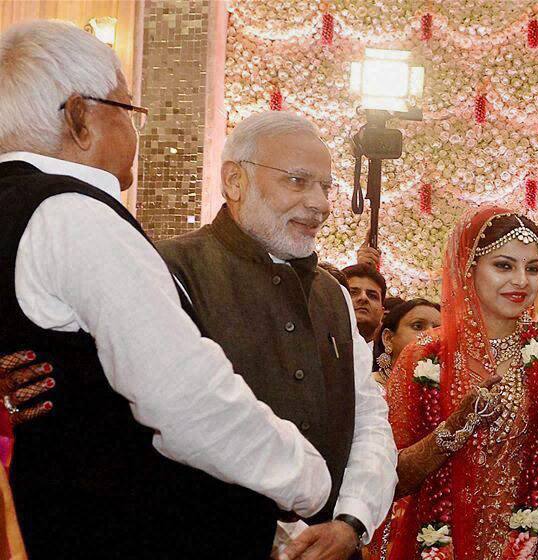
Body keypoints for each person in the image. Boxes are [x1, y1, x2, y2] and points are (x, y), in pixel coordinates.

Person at [0, 20, 339, 558]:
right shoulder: (74, 215)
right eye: (129, 112)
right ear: (81, 118)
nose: (137, 134)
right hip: (121, 529)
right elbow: (185, 401)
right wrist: (308, 480)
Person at [156, 110, 397, 560]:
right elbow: (171, 420)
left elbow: (367, 419)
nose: (321, 204)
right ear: (235, 182)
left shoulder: (333, 295)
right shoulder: (169, 272)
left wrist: (351, 522)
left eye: (325, 186)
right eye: (297, 181)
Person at [371, 208, 538, 560]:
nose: (522, 281)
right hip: (437, 543)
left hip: (535, 547)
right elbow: (392, 476)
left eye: (533, 268)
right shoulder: (423, 357)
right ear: (468, 268)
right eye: (504, 266)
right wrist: (454, 427)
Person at [372, 298, 441, 387]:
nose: (432, 335)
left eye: (438, 329)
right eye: (418, 326)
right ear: (388, 338)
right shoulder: (366, 386)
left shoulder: (444, 391)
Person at [343, 264, 387, 346]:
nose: (363, 298)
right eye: (353, 293)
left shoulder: (392, 358)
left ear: (382, 314)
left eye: (372, 296)